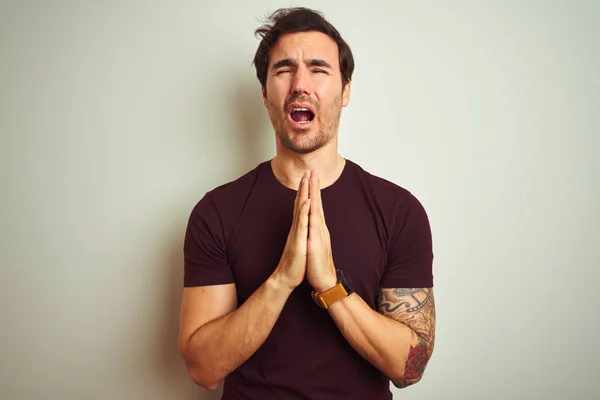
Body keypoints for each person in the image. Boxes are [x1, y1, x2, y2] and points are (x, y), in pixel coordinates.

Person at [178, 7, 436, 400]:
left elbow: (409, 367)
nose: (301, 84)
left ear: (346, 90)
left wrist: (331, 285)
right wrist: (282, 279)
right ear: (265, 94)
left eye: (318, 69)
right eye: (283, 70)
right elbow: (203, 370)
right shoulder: (216, 213)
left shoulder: (399, 211)